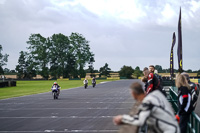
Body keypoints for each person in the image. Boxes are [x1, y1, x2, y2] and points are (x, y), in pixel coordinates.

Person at [113, 82, 180, 133]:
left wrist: (122, 118)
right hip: (173, 128)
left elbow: (140, 121)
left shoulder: (147, 102)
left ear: (133, 94)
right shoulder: (155, 95)